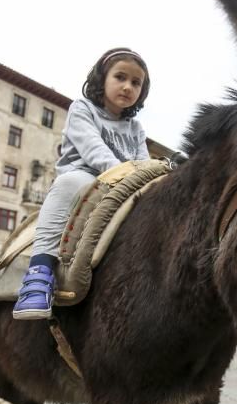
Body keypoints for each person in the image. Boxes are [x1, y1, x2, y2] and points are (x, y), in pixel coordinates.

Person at [13, 47, 151, 320]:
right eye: (120, 77)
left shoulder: (135, 128)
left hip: (123, 185)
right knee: (70, 183)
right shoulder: (82, 108)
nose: (127, 86)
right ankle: (39, 273)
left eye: (136, 83)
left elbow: (144, 162)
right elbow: (94, 150)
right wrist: (129, 174)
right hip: (87, 175)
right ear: (102, 78)